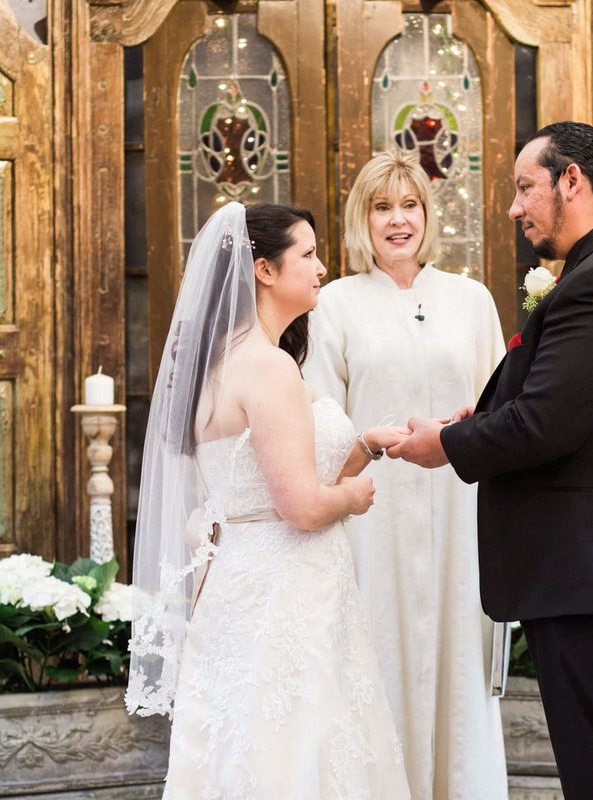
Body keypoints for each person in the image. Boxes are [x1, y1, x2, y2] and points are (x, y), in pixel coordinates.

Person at [388, 122, 593, 799]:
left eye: (526, 188)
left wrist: (445, 446)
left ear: (572, 182)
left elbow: (547, 424)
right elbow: (571, 407)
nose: (514, 207)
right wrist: (482, 421)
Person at [126, 201, 412, 799]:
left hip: (241, 585)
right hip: (289, 593)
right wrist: (356, 497)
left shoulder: (220, 363)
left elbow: (269, 481)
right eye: (306, 255)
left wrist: (365, 445)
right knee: (299, 750)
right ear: (263, 270)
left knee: (246, 751)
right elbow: (303, 507)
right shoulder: (269, 367)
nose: (321, 268)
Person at [304, 150, 509, 800]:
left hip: (458, 515)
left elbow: (500, 408)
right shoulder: (334, 305)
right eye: (383, 206)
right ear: (362, 219)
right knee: (379, 656)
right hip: (373, 519)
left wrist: (471, 422)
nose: (399, 220)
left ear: (428, 213)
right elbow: (318, 421)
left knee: (456, 665)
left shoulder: (470, 300)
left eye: (410, 204)